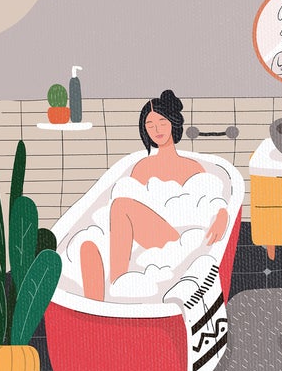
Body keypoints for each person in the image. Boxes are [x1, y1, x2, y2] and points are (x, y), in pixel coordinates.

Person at [77, 91, 226, 298]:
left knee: (121, 206)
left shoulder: (192, 167)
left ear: (173, 122)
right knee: (88, 247)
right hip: (143, 242)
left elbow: (212, 199)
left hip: (179, 238)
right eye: (150, 125)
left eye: (162, 122)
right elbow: (129, 213)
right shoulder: (141, 168)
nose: (157, 130)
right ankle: (97, 307)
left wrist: (222, 215)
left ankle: (118, 282)